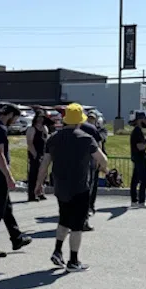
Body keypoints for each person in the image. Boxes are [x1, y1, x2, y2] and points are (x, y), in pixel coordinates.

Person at [35, 103, 108, 272]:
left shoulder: (53, 138)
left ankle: (57, 251)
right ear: (79, 121)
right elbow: (102, 159)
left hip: (60, 187)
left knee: (63, 219)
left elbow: (44, 164)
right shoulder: (85, 138)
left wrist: (39, 184)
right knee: (77, 225)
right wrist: (104, 169)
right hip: (80, 187)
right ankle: (73, 261)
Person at [0, 104, 33, 257]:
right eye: (15, 118)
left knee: (6, 207)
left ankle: (16, 238)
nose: (15, 122)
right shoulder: (0, 129)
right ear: (10, 114)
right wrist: (9, 176)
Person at [86, 110, 108, 216]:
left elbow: (101, 139)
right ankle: (85, 207)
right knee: (86, 184)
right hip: (85, 159)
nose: (90, 120)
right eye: (89, 118)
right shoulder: (84, 129)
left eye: (92, 119)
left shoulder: (101, 131)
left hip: (97, 158)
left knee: (93, 184)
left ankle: (91, 206)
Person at [129, 113, 146, 208]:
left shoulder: (137, 131)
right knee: (144, 179)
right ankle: (141, 201)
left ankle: (134, 200)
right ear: (140, 120)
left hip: (137, 157)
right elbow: (140, 146)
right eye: (145, 119)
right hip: (139, 157)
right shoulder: (137, 131)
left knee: (135, 180)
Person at [26, 110, 49, 202]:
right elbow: (29, 143)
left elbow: (46, 140)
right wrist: (35, 155)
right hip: (34, 154)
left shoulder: (45, 128)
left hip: (43, 154)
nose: (40, 119)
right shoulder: (31, 129)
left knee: (43, 174)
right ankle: (32, 195)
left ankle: (40, 192)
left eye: (42, 117)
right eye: (39, 117)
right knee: (33, 175)